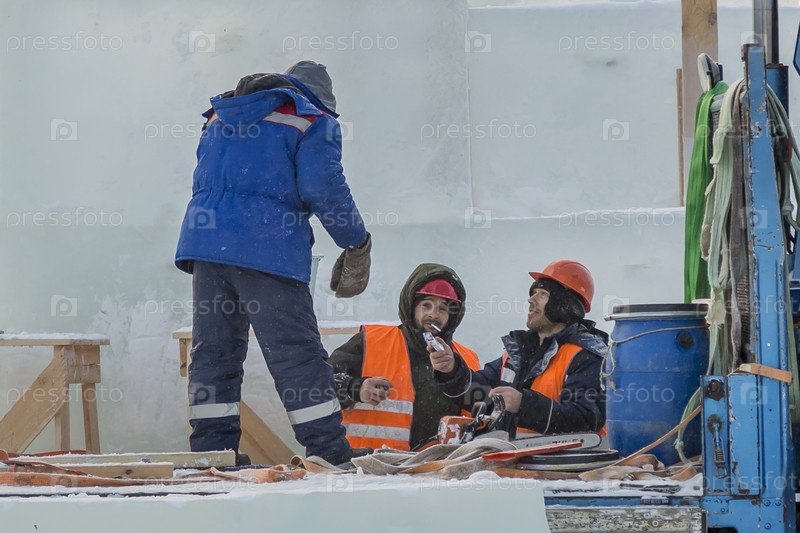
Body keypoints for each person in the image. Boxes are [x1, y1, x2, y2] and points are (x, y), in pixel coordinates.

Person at [175, 60, 372, 465]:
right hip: (268, 246)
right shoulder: (310, 118)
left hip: (206, 247)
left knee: (215, 354)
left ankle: (213, 455)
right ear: (323, 99)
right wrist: (356, 241)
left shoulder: (221, 115)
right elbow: (322, 186)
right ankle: (329, 451)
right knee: (296, 353)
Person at [430, 260, 608, 436]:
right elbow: (480, 394)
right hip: (516, 454)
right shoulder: (518, 352)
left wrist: (524, 405)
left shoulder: (586, 356)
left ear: (564, 305)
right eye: (533, 293)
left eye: (542, 294)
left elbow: (585, 419)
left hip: (565, 456)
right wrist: (451, 370)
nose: (531, 299)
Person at [329, 263, 482, 450]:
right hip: (369, 465)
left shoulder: (467, 360)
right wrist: (355, 388)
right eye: (426, 305)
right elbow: (317, 386)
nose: (433, 314)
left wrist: (454, 374)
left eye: (443, 309)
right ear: (411, 307)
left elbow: (486, 413)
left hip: (440, 466)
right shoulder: (371, 342)